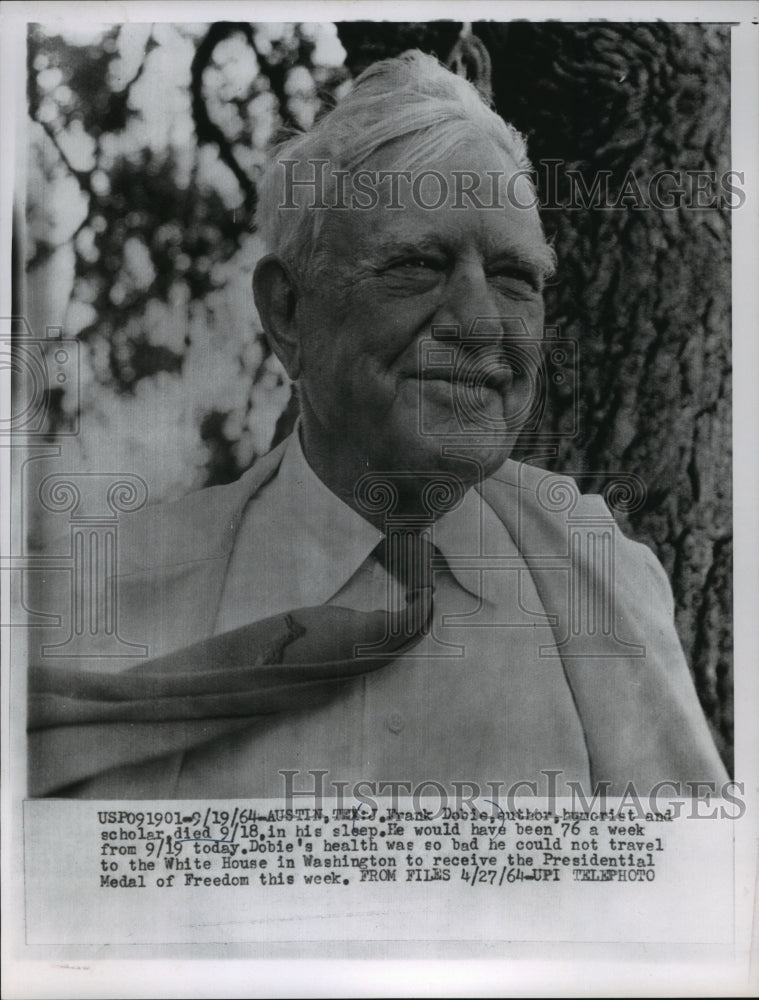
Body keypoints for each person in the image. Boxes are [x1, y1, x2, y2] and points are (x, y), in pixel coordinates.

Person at [27, 51, 727, 800]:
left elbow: (684, 892)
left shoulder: (603, 580)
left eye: (516, 278)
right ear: (288, 313)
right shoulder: (99, 595)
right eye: (417, 266)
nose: (483, 322)